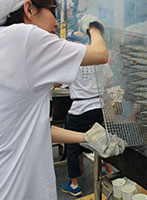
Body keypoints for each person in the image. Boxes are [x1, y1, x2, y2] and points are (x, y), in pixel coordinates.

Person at [0, 1, 125, 200]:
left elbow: (35, 128)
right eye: (52, 11)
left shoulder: (7, 43)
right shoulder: (24, 36)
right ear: (29, 9)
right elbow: (101, 54)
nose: (57, 23)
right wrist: (94, 26)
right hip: (17, 189)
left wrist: (86, 137)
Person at [61, 31, 114, 197]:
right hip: (98, 107)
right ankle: (109, 170)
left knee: (71, 144)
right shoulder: (98, 57)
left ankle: (75, 184)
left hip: (80, 109)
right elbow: (110, 80)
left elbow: (57, 82)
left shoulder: (72, 58)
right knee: (100, 138)